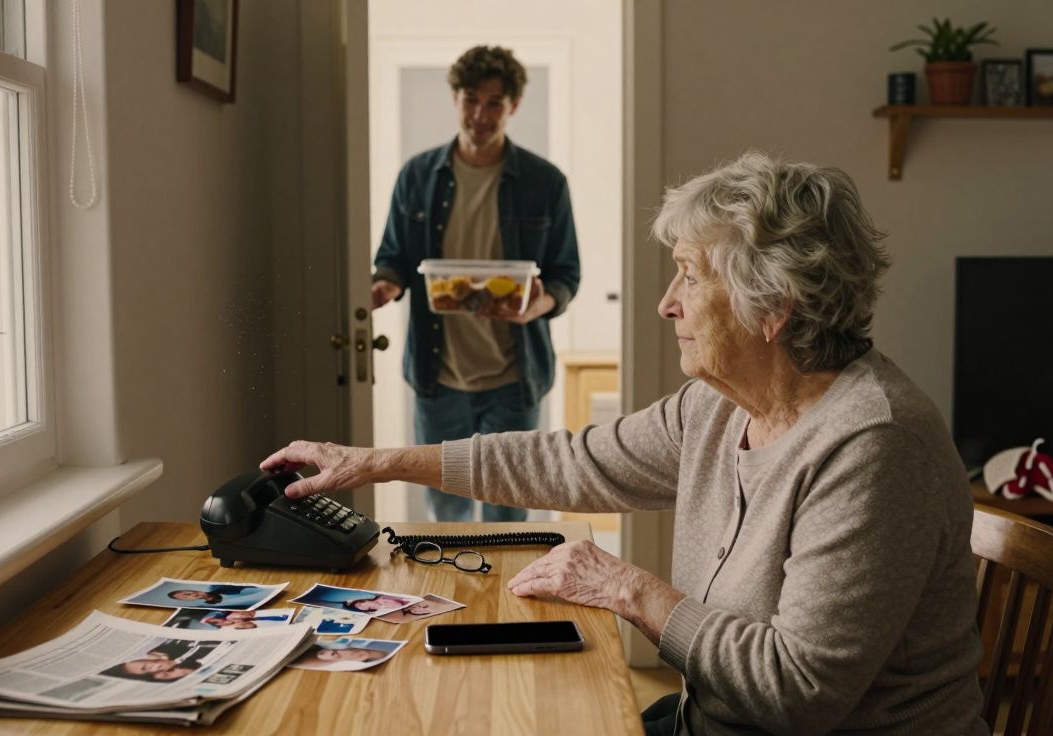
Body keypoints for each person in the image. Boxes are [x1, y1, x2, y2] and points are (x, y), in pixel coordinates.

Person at [263, 151, 986, 734]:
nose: (668, 303)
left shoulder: (874, 445)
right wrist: (377, 462)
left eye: (689, 277)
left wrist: (629, 588)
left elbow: (797, 690)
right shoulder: (715, 408)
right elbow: (573, 462)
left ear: (773, 308)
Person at [371, 44, 581, 523]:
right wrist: (386, 286)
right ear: (455, 99)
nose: (480, 115)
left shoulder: (545, 182)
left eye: (494, 103)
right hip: (437, 378)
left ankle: (504, 601)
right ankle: (453, 600)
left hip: (513, 377)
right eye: (470, 100)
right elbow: (393, 259)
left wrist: (537, 304)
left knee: (508, 516)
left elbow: (566, 274)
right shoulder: (417, 177)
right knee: (446, 515)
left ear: (513, 106)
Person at [341, 594, 415, 614]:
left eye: (360, 604)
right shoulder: (378, 611)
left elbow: (407, 599)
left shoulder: (383, 598)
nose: (363, 606)